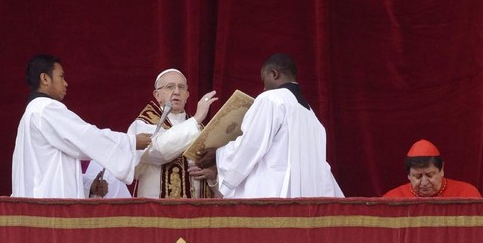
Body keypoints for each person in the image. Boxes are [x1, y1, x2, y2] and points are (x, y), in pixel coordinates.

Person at [195, 53, 343, 198]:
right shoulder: (312, 116)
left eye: (263, 80)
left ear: (274, 74)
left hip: (273, 194)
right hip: (306, 200)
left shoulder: (271, 99)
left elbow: (251, 144)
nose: (264, 88)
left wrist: (219, 154)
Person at [12, 54, 151, 198]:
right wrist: (131, 142)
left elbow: (48, 170)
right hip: (50, 208)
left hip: (40, 202)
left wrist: (89, 187)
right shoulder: (46, 109)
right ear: (45, 79)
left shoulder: (32, 113)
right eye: (61, 77)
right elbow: (86, 137)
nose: (66, 83)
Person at [127, 68, 218, 198]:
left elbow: (220, 183)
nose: (176, 92)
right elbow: (157, 151)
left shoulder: (200, 129)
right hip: (158, 212)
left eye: (181, 87)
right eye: (170, 87)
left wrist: (212, 176)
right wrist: (197, 118)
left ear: (187, 95)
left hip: (198, 213)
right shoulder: (144, 123)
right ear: (157, 95)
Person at [383, 139, 482, 198]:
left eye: (430, 175)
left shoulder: (467, 194)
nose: (424, 182)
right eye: (418, 176)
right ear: (408, 175)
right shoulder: (392, 199)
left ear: (441, 169)